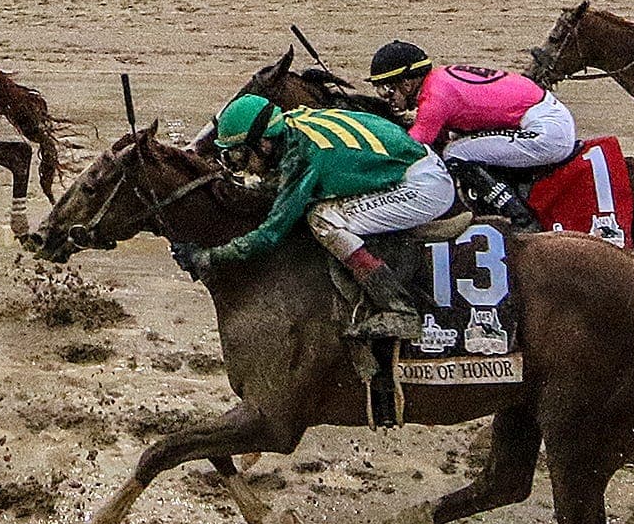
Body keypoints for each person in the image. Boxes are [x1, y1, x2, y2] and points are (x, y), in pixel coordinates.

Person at [174, 94, 454, 333]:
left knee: (322, 219)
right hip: (406, 164)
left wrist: (208, 258)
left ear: (264, 144)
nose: (241, 167)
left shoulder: (302, 157)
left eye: (240, 156)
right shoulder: (291, 123)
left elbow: (271, 234)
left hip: (423, 188)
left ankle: (399, 309)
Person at [365, 40, 576, 228]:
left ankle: (519, 217)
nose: (386, 98)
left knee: (455, 153)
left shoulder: (435, 98)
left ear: (407, 84)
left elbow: (411, 149)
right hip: (545, 117)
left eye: (387, 89)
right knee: (459, 144)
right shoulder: (438, 79)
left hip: (548, 132)